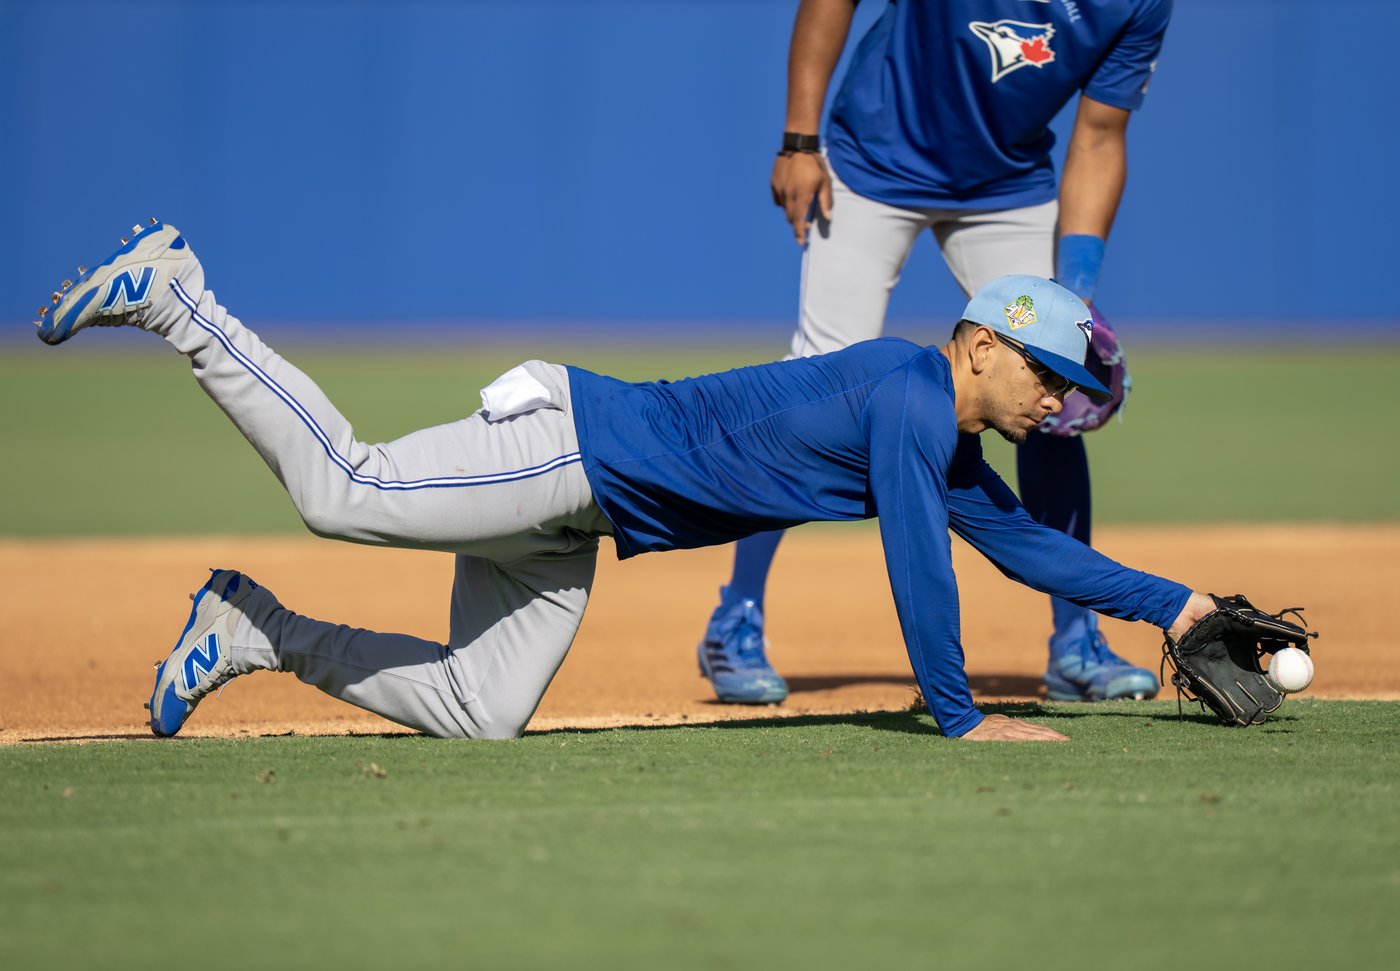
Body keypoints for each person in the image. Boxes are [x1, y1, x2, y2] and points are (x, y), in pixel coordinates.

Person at [36, 221, 1212, 742]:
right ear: (981, 342)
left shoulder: (942, 435)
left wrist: (1179, 607)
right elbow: (922, 571)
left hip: (580, 511)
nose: (1055, 406)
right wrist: (959, 720)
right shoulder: (910, 397)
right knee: (342, 488)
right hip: (572, 445)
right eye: (1048, 378)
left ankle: (253, 631)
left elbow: (1022, 550)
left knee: (475, 710)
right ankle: (180, 296)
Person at [698, 0, 1174, 705]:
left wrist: (1071, 300)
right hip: (871, 163)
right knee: (809, 391)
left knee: (1044, 388)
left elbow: (1100, 136)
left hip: (1007, 184)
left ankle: (1074, 641)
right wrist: (800, 141)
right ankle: (735, 617)